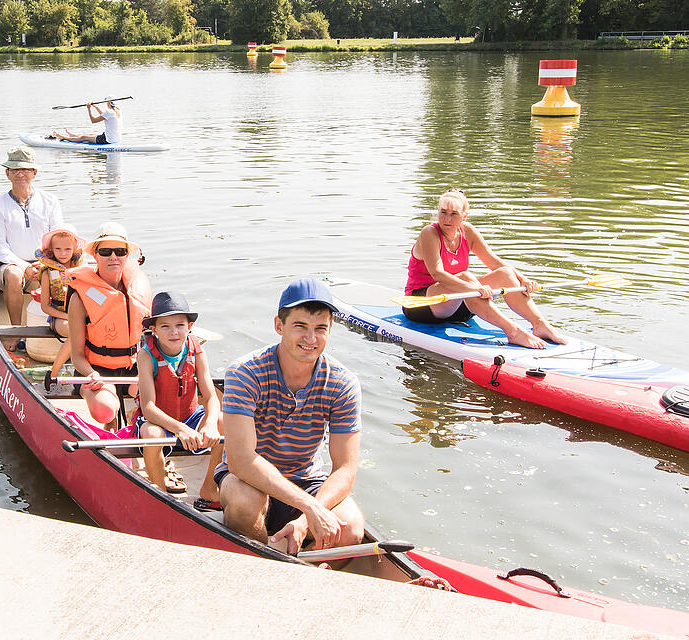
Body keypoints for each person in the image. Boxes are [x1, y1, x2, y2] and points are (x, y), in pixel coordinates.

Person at [216, 277, 365, 559]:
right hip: (248, 479)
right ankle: (261, 564)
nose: (311, 339)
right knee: (246, 503)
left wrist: (307, 516)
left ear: (330, 330)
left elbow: (345, 469)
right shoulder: (244, 373)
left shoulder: (343, 383)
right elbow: (240, 460)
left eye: (320, 328)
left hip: (307, 479)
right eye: (300, 327)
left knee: (352, 528)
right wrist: (310, 509)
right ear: (278, 326)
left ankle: (303, 564)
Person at [403, 188, 566, 349]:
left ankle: (540, 325)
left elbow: (495, 262)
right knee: (466, 277)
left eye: (454, 214)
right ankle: (513, 331)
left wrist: (523, 279)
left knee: (506, 274)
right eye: (443, 212)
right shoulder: (429, 233)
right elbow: (437, 274)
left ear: (464, 216)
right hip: (423, 305)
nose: (447, 219)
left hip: (459, 304)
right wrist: (473, 287)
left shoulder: (468, 231)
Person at [132, 291, 223, 504]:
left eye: (180, 325)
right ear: (153, 330)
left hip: (190, 417)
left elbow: (210, 396)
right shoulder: (146, 355)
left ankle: (209, 488)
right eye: (165, 326)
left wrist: (209, 425)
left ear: (189, 327)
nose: (174, 332)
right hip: (157, 421)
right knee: (153, 434)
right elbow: (148, 408)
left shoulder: (196, 350)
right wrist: (180, 430)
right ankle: (161, 494)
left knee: (223, 421)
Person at [65, 222, 151, 427]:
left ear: (127, 255)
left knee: (166, 397)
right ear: (95, 255)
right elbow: (76, 356)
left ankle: (134, 417)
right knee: (105, 410)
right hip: (96, 370)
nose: (113, 256)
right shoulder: (80, 298)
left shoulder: (138, 286)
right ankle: (111, 424)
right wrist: (91, 374)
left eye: (120, 251)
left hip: (134, 369)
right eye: (105, 251)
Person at [0, 146, 64, 349]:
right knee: (13, 275)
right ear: (7, 174)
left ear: (34, 173)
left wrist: (42, 265)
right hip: (9, 265)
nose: (20, 174)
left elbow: (57, 239)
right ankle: (16, 331)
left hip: (42, 263)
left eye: (25, 169)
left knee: (61, 278)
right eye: (14, 170)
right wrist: (23, 267)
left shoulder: (50, 201)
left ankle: (58, 328)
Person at [35, 225, 84, 383]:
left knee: (87, 328)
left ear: (74, 249)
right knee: (74, 330)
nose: (63, 254)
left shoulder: (81, 269)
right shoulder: (48, 273)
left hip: (80, 314)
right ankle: (54, 372)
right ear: (51, 250)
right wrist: (67, 316)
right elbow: (45, 306)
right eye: (58, 249)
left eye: (67, 249)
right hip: (59, 317)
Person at [51, 98, 122, 145]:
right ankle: (74, 136)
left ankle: (63, 137)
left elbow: (93, 120)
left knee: (84, 138)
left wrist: (89, 108)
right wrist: (95, 107)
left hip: (107, 140)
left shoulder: (109, 112)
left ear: (108, 103)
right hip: (114, 138)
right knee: (91, 135)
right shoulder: (118, 111)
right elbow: (104, 115)